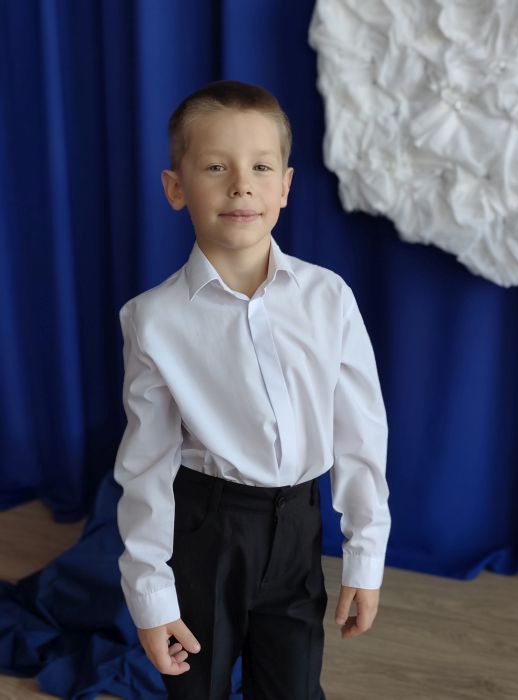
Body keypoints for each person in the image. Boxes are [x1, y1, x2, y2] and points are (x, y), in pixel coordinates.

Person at [113, 79, 391, 700]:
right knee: (199, 687)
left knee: (294, 688)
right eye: (216, 167)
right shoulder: (152, 320)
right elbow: (146, 464)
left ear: (285, 187)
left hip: (299, 528)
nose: (241, 185)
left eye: (261, 167)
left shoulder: (329, 298)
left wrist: (365, 556)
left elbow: (361, 433)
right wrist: (151, 595)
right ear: (176, 188)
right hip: (205, 530)